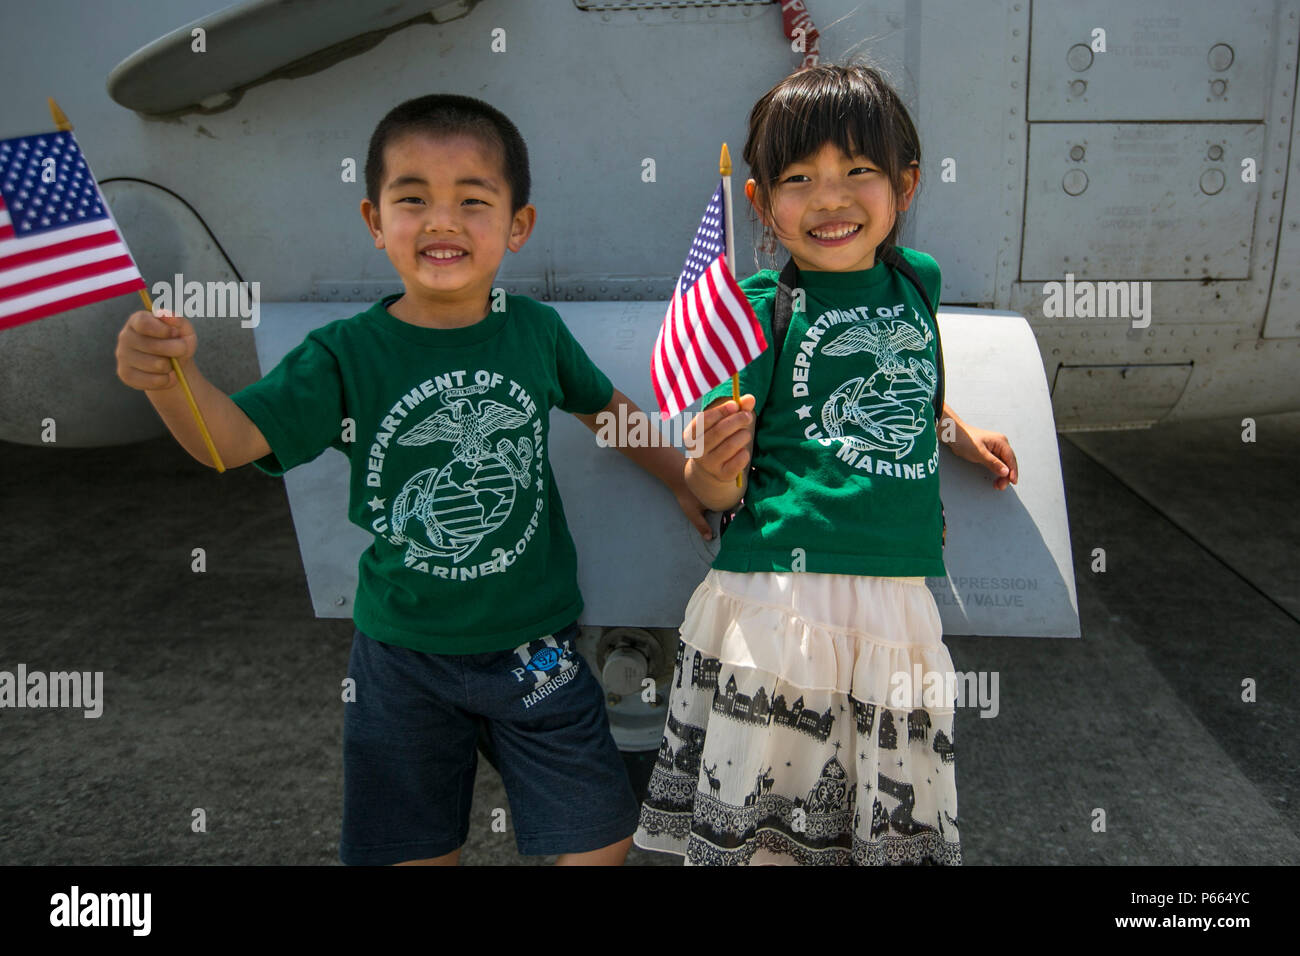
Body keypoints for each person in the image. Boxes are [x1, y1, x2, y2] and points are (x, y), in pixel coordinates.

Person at [115, 93, 709, 866]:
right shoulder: (342, 356)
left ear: (517, 226)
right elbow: (231, 442)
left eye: (473, 199)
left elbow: (606, 411)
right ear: (374, 220)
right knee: (410, 851)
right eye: (413, 199)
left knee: (601, 836)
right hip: (401, 658)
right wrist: (172, 381)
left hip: (538, 649)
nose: (443, 220)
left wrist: (680, 477)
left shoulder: (535, 332)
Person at [633, 64, 1018, 865]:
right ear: (761, 203)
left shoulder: (920, 281)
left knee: (877, 828)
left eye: (859, 172)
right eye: (799, 179)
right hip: (781, 604)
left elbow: (900, 384)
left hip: (896, 603)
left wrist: (956, 430)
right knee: (770, 837)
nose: (830, 198)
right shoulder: (757, 311)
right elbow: (716, 492)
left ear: (905, 185)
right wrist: (709, 466)